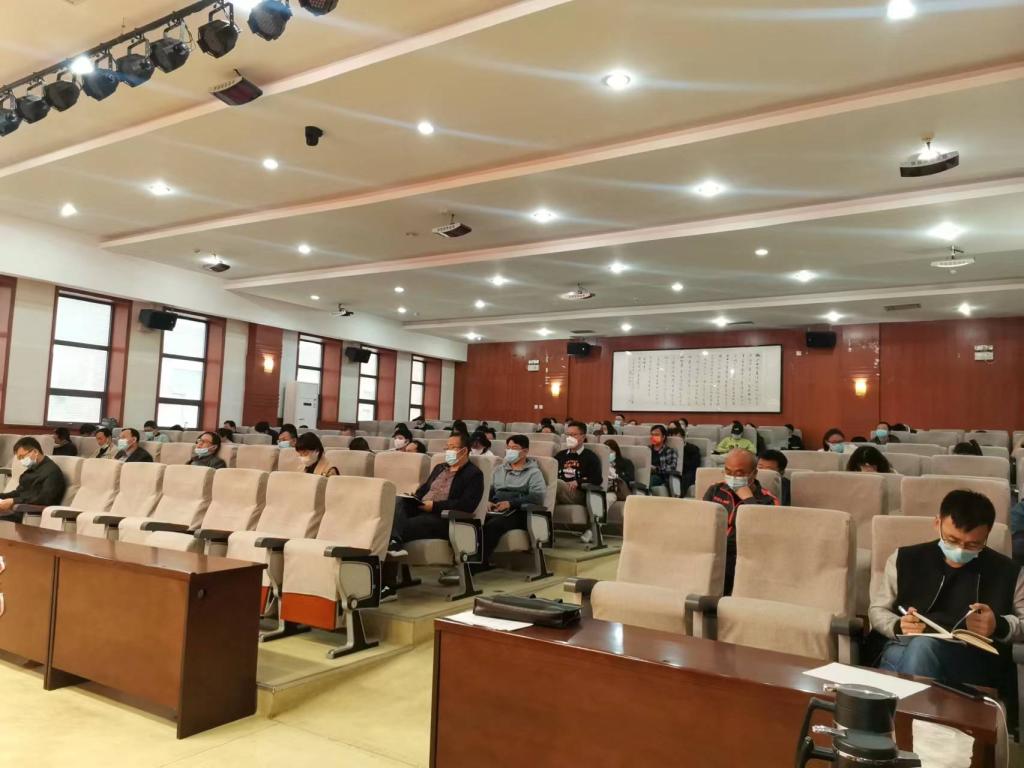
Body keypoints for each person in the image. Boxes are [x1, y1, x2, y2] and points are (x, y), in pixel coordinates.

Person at [870, 490, 1023, 696]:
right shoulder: (905, 559)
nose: (960, 550)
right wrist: (898, 625)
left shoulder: (1009, 572)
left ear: (987, 534)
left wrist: (999, 625)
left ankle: (895, 712)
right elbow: (878, 610)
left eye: (973, 544)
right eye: (952, 540)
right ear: (937, 523)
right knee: (916, 649)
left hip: (973, 659)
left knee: (918, 652)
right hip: (907, 646)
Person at [388, 432, 484, 559]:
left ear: (464, 450)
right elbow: (424, 490)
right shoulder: (440, 468)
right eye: (447, 447)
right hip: (421, 509)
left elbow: (466, 505)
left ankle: (393, 543)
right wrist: (414, 498)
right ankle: (394, 543)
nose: (448, 451)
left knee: (399, 526)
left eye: (452, 447)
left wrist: (434, 506)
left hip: (442, 518)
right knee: (398, 501)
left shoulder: (474, 474)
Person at [703, 449, 779, 594]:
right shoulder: (715, 490)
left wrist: (749, 500)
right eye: (728, 472)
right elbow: (701, 519)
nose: (732, 477)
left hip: (743, 555)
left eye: (739, 474)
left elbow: (764, 535)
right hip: (712, 550)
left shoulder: (768, 500)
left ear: (754, 474)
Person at [479, 435, 548, 567]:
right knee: (475, 522)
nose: (510, 451)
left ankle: (477, 564)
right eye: (508, 448)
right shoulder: (500, 469)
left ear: (525, 451)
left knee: (493, 526)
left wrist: (511, 503)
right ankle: (470, 561)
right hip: (497, 507)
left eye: (514, 448)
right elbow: (490, 489)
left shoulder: (534, 472)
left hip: (519, 511)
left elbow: (537, 496)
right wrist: (487, 501)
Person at [0, 437, 67, 518]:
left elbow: (44, 499)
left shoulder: (52, 472)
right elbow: (19, 493)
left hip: (30, 513)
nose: (21, 461)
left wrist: (13, 501)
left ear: (35, 452)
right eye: (19, 459)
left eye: (22, 457)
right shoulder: (31, 470)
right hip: (19, 509)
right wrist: (2, 496)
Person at [554, 421, 602, 506]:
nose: (569, 438)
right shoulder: (560, 455)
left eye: (573, 435)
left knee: (556, 484)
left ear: (583, 437)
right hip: (559, 490)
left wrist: (578, 482)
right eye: (568, 435)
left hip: (577, 493)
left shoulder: (590, 457)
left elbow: (597, 479)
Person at [649, 425, 679, 491]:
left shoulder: (670, 451)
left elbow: (671, 468)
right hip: (647, 474)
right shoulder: (647, 450)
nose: (653, 437)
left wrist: (655, 469)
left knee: (651, 479)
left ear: (663, 437)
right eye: (652, 434)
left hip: (661, 478)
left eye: (656, 435)